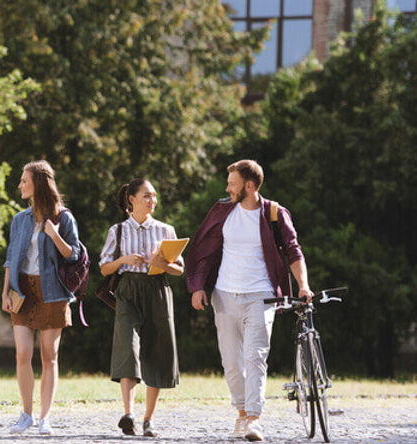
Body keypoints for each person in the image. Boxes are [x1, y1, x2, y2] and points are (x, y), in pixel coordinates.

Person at [186, 160, 313, 442]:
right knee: (231, 362)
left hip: (261, 295)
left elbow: (293, 251)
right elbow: (205, 250)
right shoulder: (222, 211)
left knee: (255, 357)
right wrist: (198, 286)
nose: (227, 188)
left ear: (250, 186)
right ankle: (241, 413)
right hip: (224, 294)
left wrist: (303, 285)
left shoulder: (274, 213)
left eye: (233, 183)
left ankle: (254, 419)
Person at [1, 160, 82, 435]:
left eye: (24, 180)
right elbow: (11, 258)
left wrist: (55, 235)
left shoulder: (64, 217)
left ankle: (44, 417)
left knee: (50, 356)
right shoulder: (19, 219)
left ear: (38, 183)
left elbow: (74, 254)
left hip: (52, 291)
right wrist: (5, 292)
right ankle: (26, 413)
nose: (20, 185)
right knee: (23, 353)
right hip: (22, 289)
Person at [98, 178, 183, 437]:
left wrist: (162, 262)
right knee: (128, 347)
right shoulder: (118, 231)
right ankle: (128, 414)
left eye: (154, 196)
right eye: (147, 196)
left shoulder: (166, 230)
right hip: (128, 291)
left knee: (157, 352)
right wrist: (123, 259)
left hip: (158, 290)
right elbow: (103, 268)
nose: (153, 201)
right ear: (131, 199)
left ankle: (148, 419)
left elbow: (180, 269)